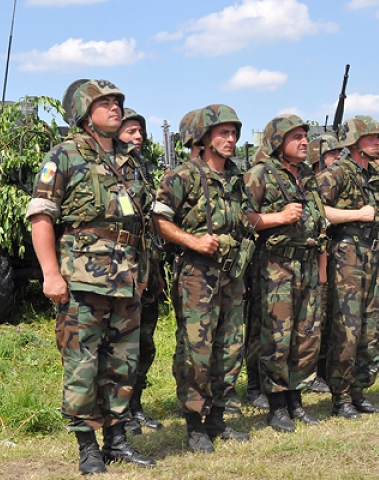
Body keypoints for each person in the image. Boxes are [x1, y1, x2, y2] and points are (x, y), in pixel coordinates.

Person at [26, 79, 155, 474]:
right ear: (84, 113)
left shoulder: (130, 159)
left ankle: (117, 441)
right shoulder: (64, 156)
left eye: (118, 102)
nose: (115, 108)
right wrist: (51, 274)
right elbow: (41, 216)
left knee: (122, 363)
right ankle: (88, 448)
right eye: (105, 103)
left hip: (127, 278)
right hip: (81, 278)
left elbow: (143, 222)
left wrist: (144, 273)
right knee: (82, 365)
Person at [154, 104, 253, 453]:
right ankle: (195, 424)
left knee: (230, 348)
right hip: (197, 273)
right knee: (196, 349)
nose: (230, 139)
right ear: (204, 137)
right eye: (223, 133)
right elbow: (160, 221)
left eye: (233, 132)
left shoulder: (236, 178)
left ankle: (218, 419)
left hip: (232, 274)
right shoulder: (183, 176)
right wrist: (193, 240)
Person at [243, 114, 327, 432]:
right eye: (296, 137)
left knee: (307, 336)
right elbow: (243, 218)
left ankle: (296, 400)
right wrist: (278, 217)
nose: (304, 141)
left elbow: (319, 222)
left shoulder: (306, 176)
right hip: (276, 265)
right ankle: (276, 406)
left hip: (306, 263)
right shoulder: (260, 174)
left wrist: (321, 267)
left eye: (305, 136)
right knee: (277, 338)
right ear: (278, 142)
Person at [317, 115, 379, 420]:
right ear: (355, 141)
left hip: (372, 254)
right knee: (347, 327)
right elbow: (319, 212)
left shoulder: (374, 175)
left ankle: (359, 389)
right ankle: (341, 396)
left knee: (372, 325)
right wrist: (358, 214)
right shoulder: (336, 174)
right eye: (371, 138)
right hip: (346, 253)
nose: (378, 143)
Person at [117, 108, 166, 435]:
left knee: (145, 342)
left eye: (140, 131)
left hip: (148, 265)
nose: (138, 137)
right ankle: (119, 413)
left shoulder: (141, 169)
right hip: (120, 269)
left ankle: (136, 406)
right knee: (122, 343)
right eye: (131, 131)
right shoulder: (106, 168)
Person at [306, 133, 342, 394]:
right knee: (316, 318)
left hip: (330, 254)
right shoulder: (318, 183)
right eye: (331, 153)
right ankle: (312, 373)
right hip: (315, 257)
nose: (337, 157)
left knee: (327, 315)